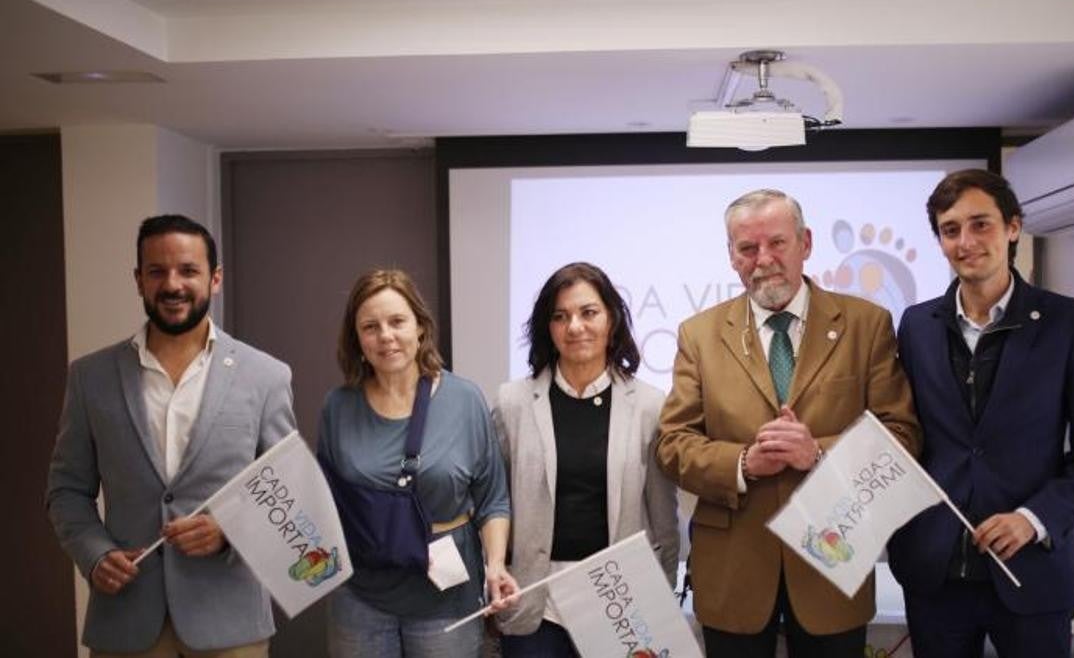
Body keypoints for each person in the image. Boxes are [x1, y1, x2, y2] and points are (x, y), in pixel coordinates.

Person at [655, 189, 921, 657]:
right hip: (733, 571)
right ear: (731, 256)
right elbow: (673, 445)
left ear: (806, 243)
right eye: (747, 248)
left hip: (833, 563)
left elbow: (901, 436)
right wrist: (743, 462)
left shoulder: (866, 324)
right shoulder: (698, 335)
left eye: (777, 243)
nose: (764, 260)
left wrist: (816, 453)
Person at [886, 169, 1074, 658]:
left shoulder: (1069, 323)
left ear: (1013, 228)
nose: (966, 242)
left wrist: (1033, 519)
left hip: (1031, 571)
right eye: (951, 230)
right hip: (935, 574)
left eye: (980, 224)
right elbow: (904, 433)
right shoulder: (916, 326)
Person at [46, 214, 295, 657]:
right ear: (138, 280)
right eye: (157, 272)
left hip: (230, 620)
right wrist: (94, 553)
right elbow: (66, 490)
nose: (172, 284)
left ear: (215, 279)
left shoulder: (266, 377)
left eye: (188, 270)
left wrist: (228, 531)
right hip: (126, 617)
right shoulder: (90, 377)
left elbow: (285, 490)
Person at [317, 268, 517, 657]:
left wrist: (495, 565)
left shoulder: (464, 400)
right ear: (357, 339)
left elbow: (493, 499)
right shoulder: (338, 407)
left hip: (446, 597)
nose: (386, 336)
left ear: (421, 328)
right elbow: (326, 502)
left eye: (397, 322)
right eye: (370, 327)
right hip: (360, 597)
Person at [492, 262, 680, 656]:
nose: (575, 326)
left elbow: (663, 517)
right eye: (560, 317)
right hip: (536, 602)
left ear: (611, 320)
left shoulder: (648, 405)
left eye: (588, 312)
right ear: (548, 328)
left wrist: (660, 597)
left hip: (621, 600)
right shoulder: (512, 403)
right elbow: (496, 504)